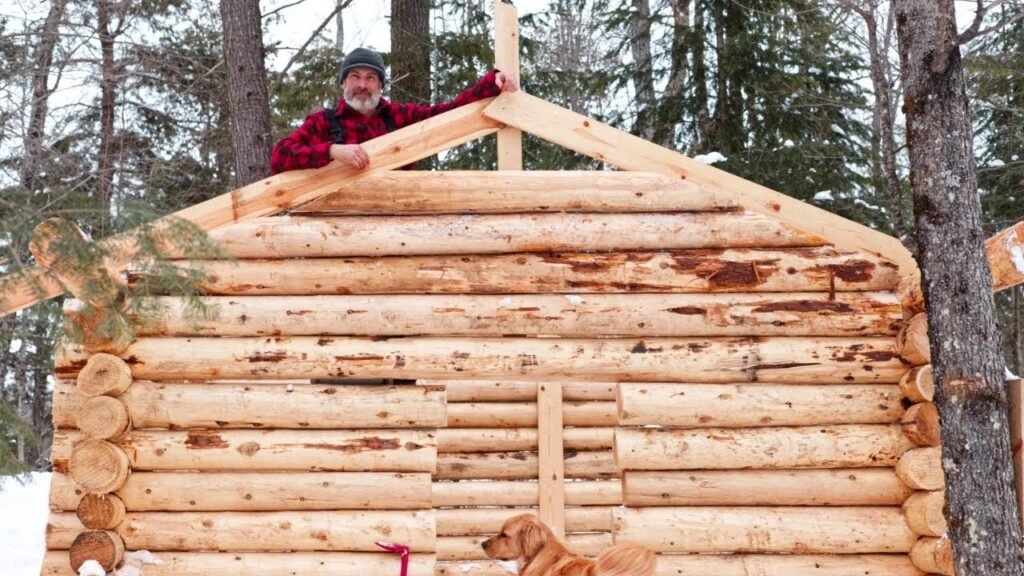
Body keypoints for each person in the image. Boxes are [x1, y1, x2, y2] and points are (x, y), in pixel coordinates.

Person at [271, 47, 518, 173]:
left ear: (380, 85)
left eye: (370, 78)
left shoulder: (400, 117)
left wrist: (491, 84)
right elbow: (279, 158)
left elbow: (450, 113)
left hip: (397, 228)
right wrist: (332, 150)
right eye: (355, 76)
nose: (362, 85)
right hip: (332, 233)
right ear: (344, 83)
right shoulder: (323, 122)